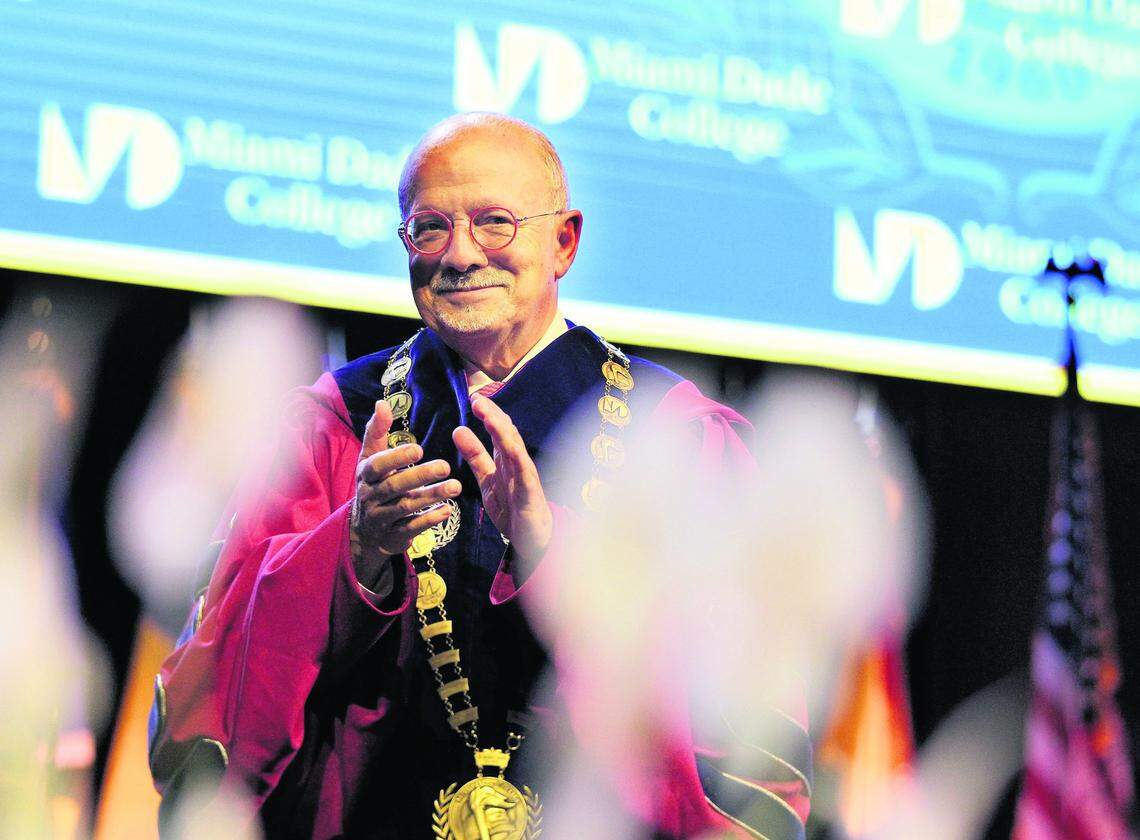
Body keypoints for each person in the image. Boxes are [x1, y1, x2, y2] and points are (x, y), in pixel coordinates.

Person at [149, 113, 811, 839]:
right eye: (429, 228)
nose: (460, 256)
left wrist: (557, 560)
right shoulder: (333, 426)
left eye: (495, 222)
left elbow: (739, 716)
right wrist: (355, 551)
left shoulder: (675, 443)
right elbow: (219, 698)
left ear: (563, 241)